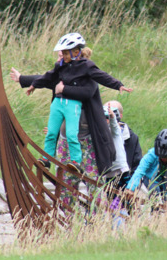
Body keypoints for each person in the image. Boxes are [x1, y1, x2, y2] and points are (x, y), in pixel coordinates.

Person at [25, 32, 133, 172]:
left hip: (73, 106)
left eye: (66, 53)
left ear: (76, 52)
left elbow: (102, 76)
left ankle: (76, 161)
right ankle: (46, 158)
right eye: (62, 52)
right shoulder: (61, 65)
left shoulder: (86, 66)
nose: (63, 55)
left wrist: (118, 85)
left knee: (71, 134)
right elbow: (48, 76)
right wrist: (34, 84)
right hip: (59, 103)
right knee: (51, 132)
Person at [125, 129, 167, 209]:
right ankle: (155, 212)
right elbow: (140, 171)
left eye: (166, 157)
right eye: (161, 156)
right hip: (149, 179)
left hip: (166, 181)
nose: (163, 159)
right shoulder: (150, 155)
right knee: (155, 192)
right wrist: (131, 188)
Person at [103, 100, 142, 172]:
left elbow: (137, 165)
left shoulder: (131, 138)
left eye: (111, 113)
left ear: (119, 116)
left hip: (123, 173)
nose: (107, 117)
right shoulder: (98, 134)